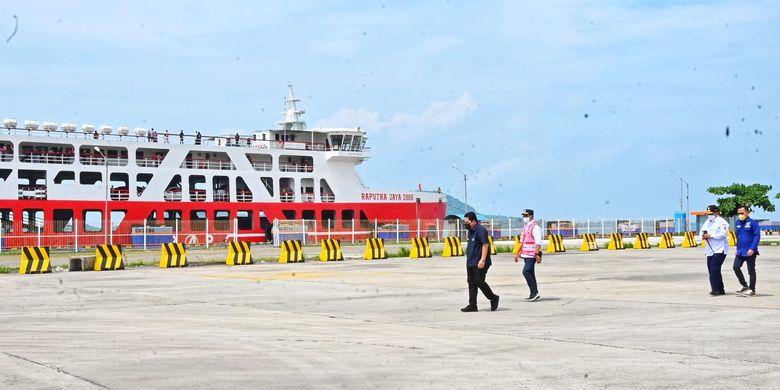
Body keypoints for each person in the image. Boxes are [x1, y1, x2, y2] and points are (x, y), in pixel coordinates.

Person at [461, 211, 499, 312]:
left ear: (473, 221)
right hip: (471, 261)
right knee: (471, 283)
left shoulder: (481, 230)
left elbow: (485, 245)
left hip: (480, 262)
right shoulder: (470, 231)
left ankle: (493, 298)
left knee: (479, 282)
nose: (466, 224)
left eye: (467, 222)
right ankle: (472, 305)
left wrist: (482, 260)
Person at [514, 209, 543, 301]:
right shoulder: (526, 227)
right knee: (530, 273)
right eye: (524, 216)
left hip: (532, 255)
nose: (524, 217)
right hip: (526, 255)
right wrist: (517, 253)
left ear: (531, 216)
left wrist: (537, 254)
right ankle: (534, 293)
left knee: (526, 272)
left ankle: (534, 292)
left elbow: (538, 242)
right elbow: (522, 241)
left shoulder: (535, 227)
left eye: (526, 216)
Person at [701, 205, 730, 296]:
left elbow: (723, 234)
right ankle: (721, 289)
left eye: (711, 213)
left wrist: (711, 236)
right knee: (712, 270)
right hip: (710, 250)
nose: (709, 215)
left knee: (714, 270)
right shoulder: (707, 222)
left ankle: (715, 290)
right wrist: (703, 236)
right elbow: (702, 231)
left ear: (716, 212)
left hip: (720, 249)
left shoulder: (722, 222)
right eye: (708, 214)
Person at [733, 206, 760, 296]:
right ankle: (744, 285)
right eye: (738, 213)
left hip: (750, 251)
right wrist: (737, 249)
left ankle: (752, 289)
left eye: (742, 213)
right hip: (740, 251)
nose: (740, 215)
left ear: (747, 212)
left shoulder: (753, 223)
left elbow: (757, 236)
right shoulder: (737, 222)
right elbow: (738, 237)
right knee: (736, 267)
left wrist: (753, 248)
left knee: (751, 270)